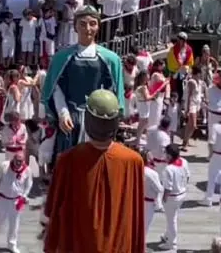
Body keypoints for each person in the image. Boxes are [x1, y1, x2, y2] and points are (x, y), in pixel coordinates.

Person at [43, 89, 145, 253]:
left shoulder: (68, 160)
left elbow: (52, 211)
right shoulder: (134, 162)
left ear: (88, 121)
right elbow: (136, 217)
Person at [40, 6, 123, 165]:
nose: (88, 28)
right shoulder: (62, 57)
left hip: (98, 118)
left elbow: (115, 93)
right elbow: (55, 87)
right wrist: (62, 112)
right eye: (83, 24)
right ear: (75, 27)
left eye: (93, 23)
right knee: (68, 163)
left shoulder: (111, 59)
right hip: (71, 116)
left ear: (98, 26)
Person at [0, 151, 32, 253]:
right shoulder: (5, 166)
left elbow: (28, 184)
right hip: (2, 199)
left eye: (21, 161)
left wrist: (25, 195)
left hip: (16, 201)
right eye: (17, 161)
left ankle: (12, 244)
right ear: (13, 159)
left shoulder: (27, 170)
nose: (18, 163)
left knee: (14, 224)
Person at [159, 144, 189, 251]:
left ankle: (172, 243)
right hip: (182, 193)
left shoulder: (168, 169)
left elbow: (168, 188)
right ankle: (167, 235)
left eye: (166, 153)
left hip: (172, 197)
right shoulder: (184, 162)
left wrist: (164, 198)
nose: (165, 155)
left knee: (171, 220)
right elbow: (188, 176)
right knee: (172, 217)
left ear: (170, 156)